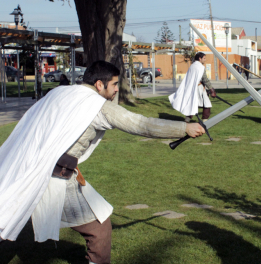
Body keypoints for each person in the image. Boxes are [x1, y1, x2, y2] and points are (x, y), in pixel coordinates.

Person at [0, 61, 205, 264]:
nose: (117, 89)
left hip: (23, 167)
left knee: (7, 214)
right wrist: (183, 128)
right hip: (52, 178)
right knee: (99, 227)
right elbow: (140, 124)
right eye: (114, 84)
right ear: (100, 84)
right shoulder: (97, 106)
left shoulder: (59, 93)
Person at [169, 52, 217, 122]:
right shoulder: (200, 67)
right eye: (204, 58)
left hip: (192, 87)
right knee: (207, 104)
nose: (205, 60)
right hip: (198, 88)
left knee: (192, 103)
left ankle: (187, 120)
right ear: (200, 58)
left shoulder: (192, 66)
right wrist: (212, 90)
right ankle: (204, 122)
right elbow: (205, 79)